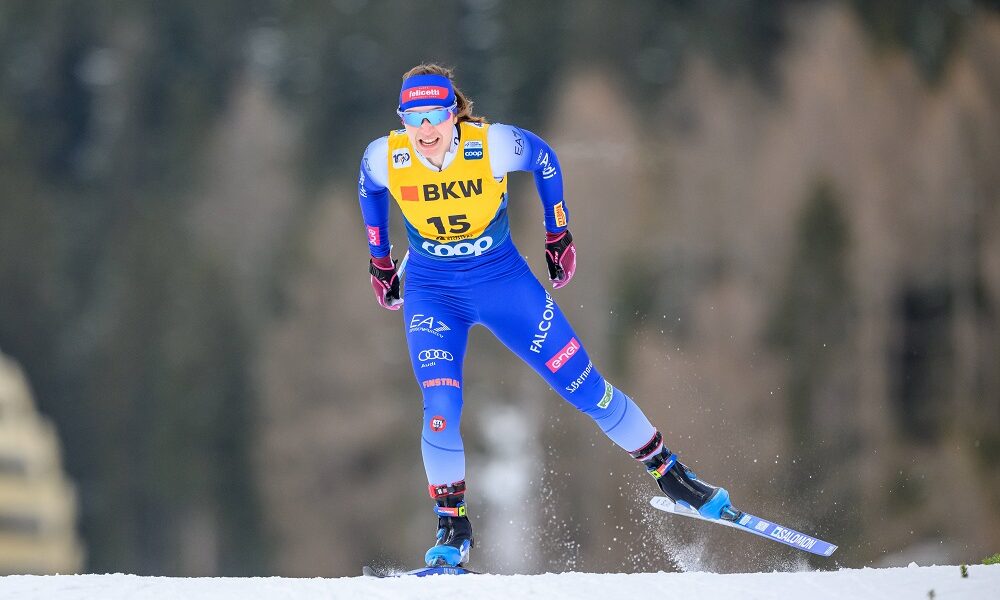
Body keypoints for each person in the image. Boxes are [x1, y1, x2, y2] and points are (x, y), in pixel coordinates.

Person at [357, 64, 735, 568]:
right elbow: (368, 188)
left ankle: (674, 477)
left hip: (503, 284)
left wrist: (558, 233)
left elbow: (544, 159)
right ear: (401, 118)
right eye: (413, 117)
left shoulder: (492, 145)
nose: (424, 130)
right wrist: (380, 261)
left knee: (585, 387)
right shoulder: (385, 156)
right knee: (441, 406)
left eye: (435, 115)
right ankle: (452, 526)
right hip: (433, 294)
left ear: (453, 114)